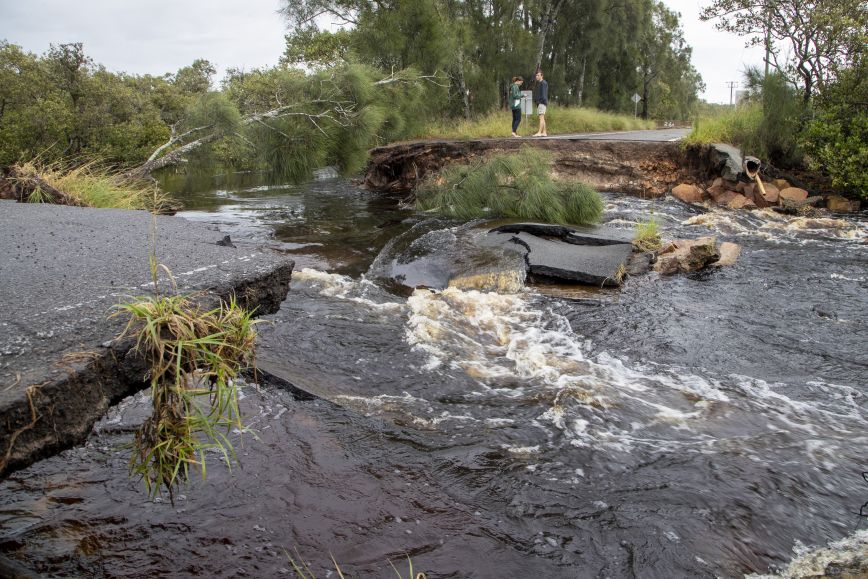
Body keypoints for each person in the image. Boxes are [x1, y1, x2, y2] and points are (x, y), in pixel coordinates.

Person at [533, 70, 548, 137]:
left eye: (538, 75)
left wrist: (540, 102)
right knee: (542, 118)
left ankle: (539, 132)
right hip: (540, 103)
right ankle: (544, 132)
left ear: (542, 76)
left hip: (542, 103)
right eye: (536, 75)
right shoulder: (540, 83)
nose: (537, 76)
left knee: (541, 118)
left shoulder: (543, 83)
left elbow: (544, 94)